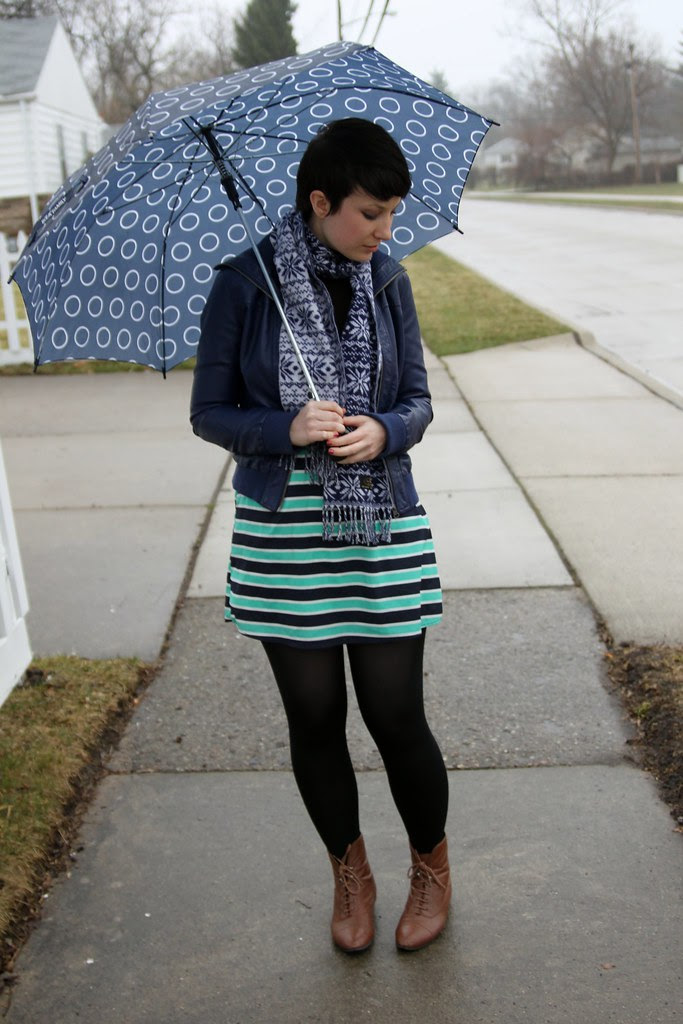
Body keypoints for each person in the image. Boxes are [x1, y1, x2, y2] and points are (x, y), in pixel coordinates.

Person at [190, 118, 450, 954]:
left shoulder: (388, 280)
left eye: (392, 212)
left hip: (379, 525)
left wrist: (385, 429)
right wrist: (285, 427)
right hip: (286, 533)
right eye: (371, 212)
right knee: (313, 717)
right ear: (319, 200)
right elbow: (209, 413)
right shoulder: (244, 284)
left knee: (395, 714)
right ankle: (350, 874)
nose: (384, 229)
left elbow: (417, 398)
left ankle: (431, 869)